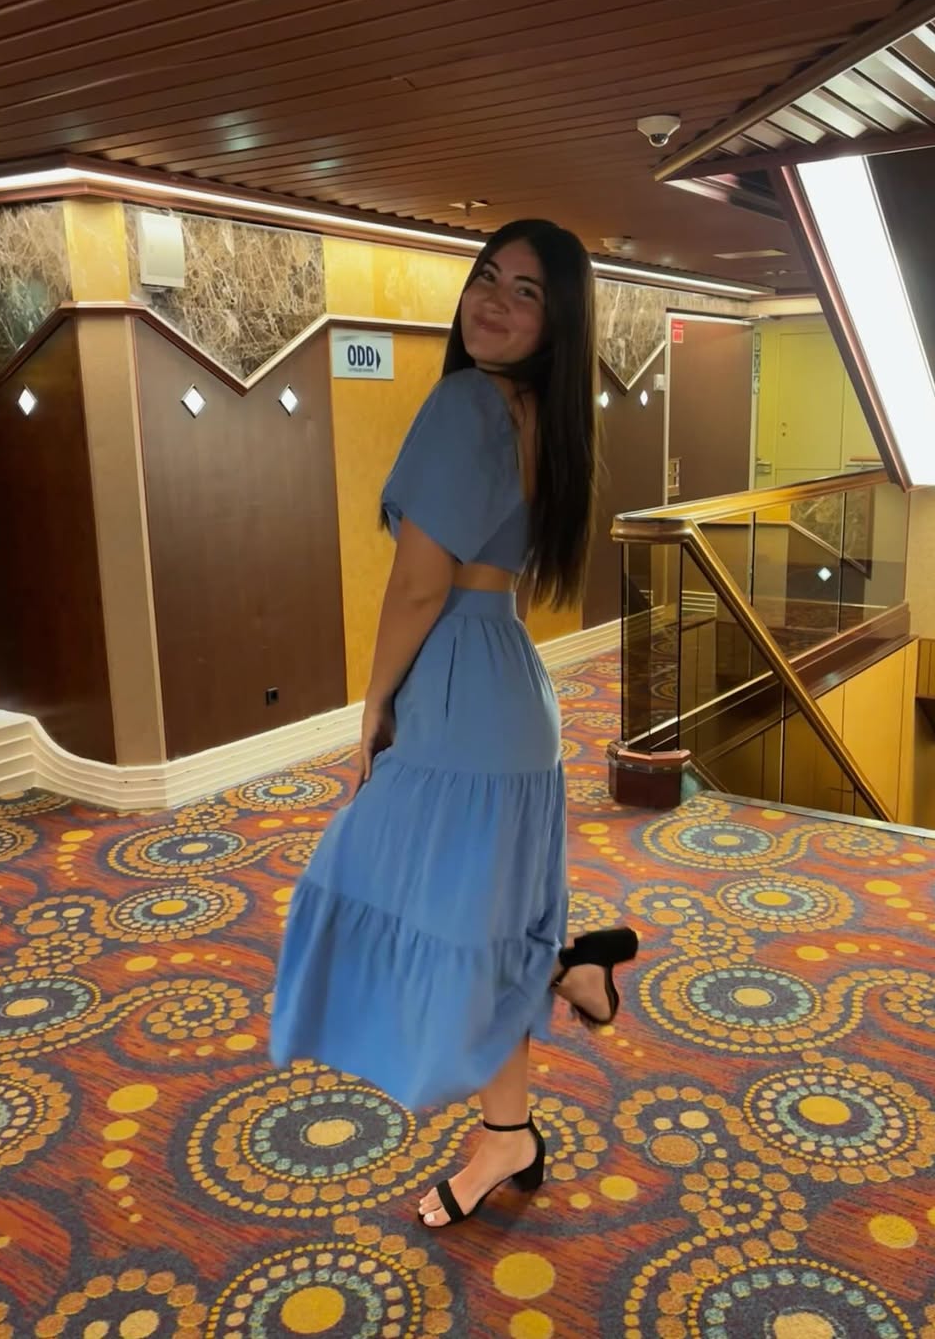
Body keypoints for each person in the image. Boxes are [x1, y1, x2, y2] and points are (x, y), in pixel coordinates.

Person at [270, 219, 638, 1228]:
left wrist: (373, 706)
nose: (494, 301)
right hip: (506, 685)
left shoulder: (468, 401)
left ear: (557, 323)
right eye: (487, 277)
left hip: (461, 696)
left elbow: (418, 588)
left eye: (527, 292)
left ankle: (546, 999)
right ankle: (525, 1077)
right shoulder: (540, 415)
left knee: (378, 886)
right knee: (473, 922)